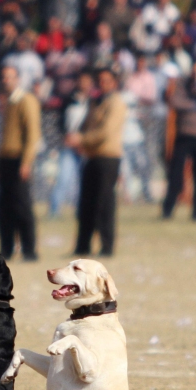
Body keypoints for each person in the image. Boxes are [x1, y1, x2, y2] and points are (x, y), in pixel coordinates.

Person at [70, 68, 126, 257]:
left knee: (104, 203)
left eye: (107, 80)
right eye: (100, 80)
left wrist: (82, 140)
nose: (103, 84)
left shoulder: (116, 103)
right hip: (92, 157)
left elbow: (106, 132)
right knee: (86, 204)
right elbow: (85, 124)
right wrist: (77, 136)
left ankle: (107, 247)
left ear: (114, 83)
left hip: (108, 157)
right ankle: (82, 246)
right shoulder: (95, 101)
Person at [0, 65, 41, 262]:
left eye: (10, 77)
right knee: (4, 208)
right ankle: (6, 249)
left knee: (22, 207)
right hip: (5, 160)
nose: (6, 81)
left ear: (18, 79)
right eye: (4, 77)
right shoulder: (8, 103)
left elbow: (32, 135)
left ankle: (29, 250)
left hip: (19, 160)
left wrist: (26, 162)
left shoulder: (26, 100)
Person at [162, 65, 196, 220]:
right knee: (175, 174)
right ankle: (168, 210)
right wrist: (193, 105)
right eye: (194, 72)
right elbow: (175, 101)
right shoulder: (182, 84)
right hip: (183, 135)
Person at [49, 76, 90, 218]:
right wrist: (66, 137)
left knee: (83, 181)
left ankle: (81, 210)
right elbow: (60, 122)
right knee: (64, 177)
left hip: (86, 146)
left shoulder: (92, 101)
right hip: (68, 145)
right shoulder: (68, 100)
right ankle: (55, 209)